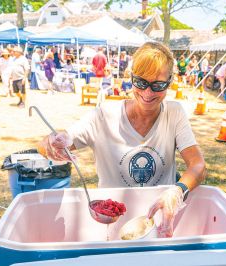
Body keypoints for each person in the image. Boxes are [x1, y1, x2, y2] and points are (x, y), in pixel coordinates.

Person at [38, 42, 207, 238]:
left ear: (170, 82)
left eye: (158, 85)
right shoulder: (104, 115)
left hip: (159, 222)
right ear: (131, 77)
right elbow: (53, 143)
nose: (148, 93)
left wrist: (177, 192)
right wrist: (50, 143)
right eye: (141, 83)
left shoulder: (174, 113)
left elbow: (198, 165)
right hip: (112, 225)